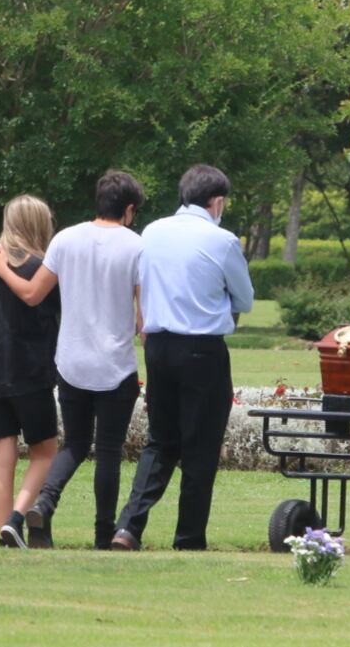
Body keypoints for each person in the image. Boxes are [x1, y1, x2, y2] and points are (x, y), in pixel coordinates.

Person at [0, 170, 145, 549]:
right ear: (130, 209)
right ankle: (105, 534)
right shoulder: (136, 247)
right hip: (115, 365)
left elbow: (33, 294)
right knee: (107, 451)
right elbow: (143, 318)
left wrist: (2, 268)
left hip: (71, 361)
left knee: (73, 444)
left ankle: (44, 502)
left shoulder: (65, 239)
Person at [111, 165, 253, 551]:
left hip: (157, 346)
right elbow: (245, 299)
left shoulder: (151, 232)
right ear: (217, 201)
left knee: (160, 440)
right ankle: (188, 536)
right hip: (201, 348)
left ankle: (129, 526)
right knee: (201, 446)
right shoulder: (222, 240)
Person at [0, 195, 61, 548]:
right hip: (30, 372)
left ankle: (4, 530)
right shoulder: (41, 268)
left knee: (3, 458)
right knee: (45, 452)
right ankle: (17, 519)